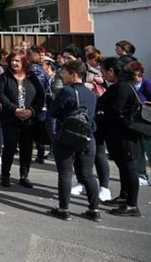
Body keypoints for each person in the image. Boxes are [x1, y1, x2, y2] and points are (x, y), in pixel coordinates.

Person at [47, 59, 101, 222]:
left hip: (67, 136)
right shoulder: (91, 93)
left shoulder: (67, 91)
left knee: (65, 173)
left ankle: (63, 209)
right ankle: (94, 209)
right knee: (87, 174)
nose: (62, 76)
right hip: (87, 137)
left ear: (74, 75)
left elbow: (54, 111)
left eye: (64, 73)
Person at [98, 57, 142, 217]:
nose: (102, 74)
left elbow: (115, 110)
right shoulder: (118, 86)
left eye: (104, 71)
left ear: (111, 71)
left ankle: (132, 205)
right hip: (118, 135)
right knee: (123, 168)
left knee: (129, 169)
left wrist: (101, 111)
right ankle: (124, 197)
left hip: (126, 136)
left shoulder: (122, 87)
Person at [0, 50, 44, 188]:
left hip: (28, 120)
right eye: (12, 60)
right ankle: (5, 175)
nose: (14, 63)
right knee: (10, 147)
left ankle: (24, 176)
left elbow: (40, 97)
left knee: (27, 148)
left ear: (24, 61)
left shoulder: (32, 77)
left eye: (17, 60)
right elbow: (1, 95)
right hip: (11, 118)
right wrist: (14, 109)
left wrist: (32, 111)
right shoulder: (5, 76)